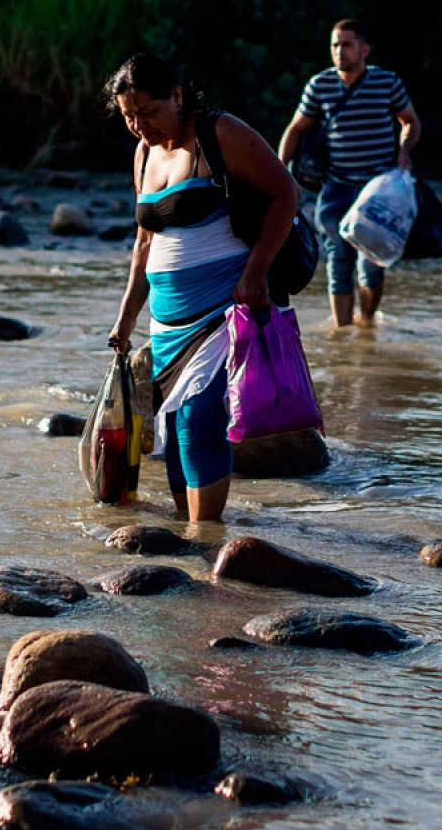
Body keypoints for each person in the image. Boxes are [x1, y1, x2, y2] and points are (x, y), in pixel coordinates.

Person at [104, 54, 298, 522]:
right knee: (171, 427)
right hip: (167, 324)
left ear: (176, 95)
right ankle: (194, 542)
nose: (138, 126)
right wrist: (127, 316)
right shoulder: (143, 153)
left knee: (198, 420)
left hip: (223, 311)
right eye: (129, 117)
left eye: (148, 113)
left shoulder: (220, 134)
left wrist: (256, 270)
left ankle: (208, 533)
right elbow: (144, 242)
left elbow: (285, 194)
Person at [278, 18, 420, 327]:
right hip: (336, 186)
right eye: (335, 45)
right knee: (337, 260)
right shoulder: (320, 85)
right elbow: (296, 128)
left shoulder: (387, 82)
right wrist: (281, 171)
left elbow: (410, 120)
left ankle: (366, 324)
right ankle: (343, 334)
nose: (339, 51)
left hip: (377, 189)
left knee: (371, 263)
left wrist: (404, 150)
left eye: (347, 45)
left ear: (364, 49)